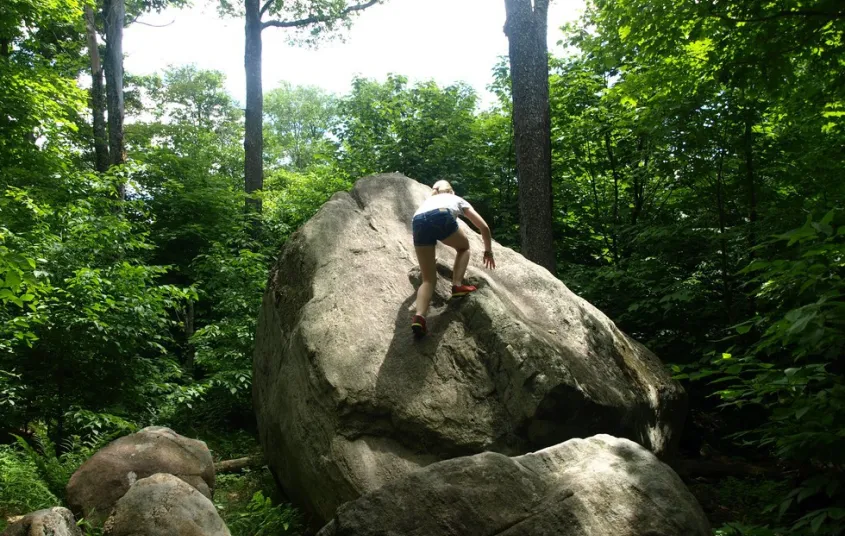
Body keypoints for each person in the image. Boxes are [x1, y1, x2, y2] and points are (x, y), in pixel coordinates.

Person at [410, 180, 496, 337]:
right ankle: (457, 285)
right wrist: (488, 251)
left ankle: (419, 316)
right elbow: (483, 227)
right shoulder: (457, 199)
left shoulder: (428, 201)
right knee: (464, 248)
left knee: (428, 280)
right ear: (451, 191)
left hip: (417, 221)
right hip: (441, 214)